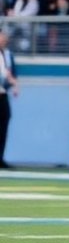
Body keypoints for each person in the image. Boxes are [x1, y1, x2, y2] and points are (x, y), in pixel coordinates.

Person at [0, 30, 12, 168]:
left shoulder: (7, 54)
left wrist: (12, 82)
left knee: (3, 125)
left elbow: (8, 72)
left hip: (3, 94)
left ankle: (0, 157)